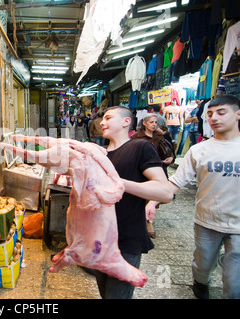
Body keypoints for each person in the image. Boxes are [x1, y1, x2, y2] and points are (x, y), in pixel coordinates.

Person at [146, 95, 240, 299]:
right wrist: (153, 201)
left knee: (234, 283)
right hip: (207, 221)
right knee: (203, 264)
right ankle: (200, 282)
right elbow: (176, 181)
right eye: (210, 114)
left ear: (238, 114)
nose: (214, 118)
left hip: (238, 227)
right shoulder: (199, 150)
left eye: (221, 112)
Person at [89, 106, 173, 299]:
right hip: (99, 238)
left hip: (125, 239)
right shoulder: (101, 154)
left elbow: (165, 192)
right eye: (102, 119)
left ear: (126, 122)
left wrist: (120, 183)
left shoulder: (140, 147)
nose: (102, 122)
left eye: (108, 118)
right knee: (105, 292)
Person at [131, 113, 175, 239]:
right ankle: (146, 222)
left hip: (158, 168)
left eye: (155, 122)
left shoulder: (159, 136)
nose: (154, 125)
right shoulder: (137, 136)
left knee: (153, 196)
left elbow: (168, 149)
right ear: (144, 123)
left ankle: (149, 220)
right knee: (143, 195)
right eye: (151, 122)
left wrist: (171, 157)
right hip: (142, 170)